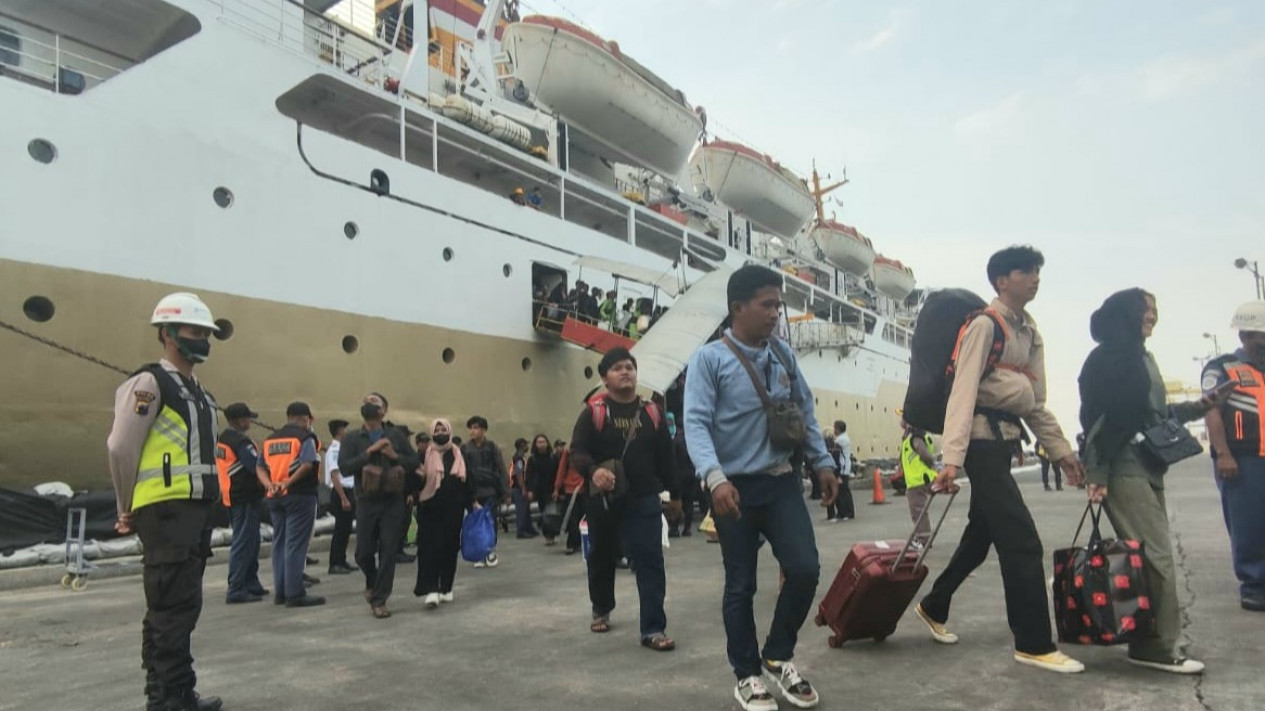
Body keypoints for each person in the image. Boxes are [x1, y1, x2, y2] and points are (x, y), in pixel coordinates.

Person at [914, 245, 1087, 674]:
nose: (1034, 278)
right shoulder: (984, 326)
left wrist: (1061, 451)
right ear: (1001, 281)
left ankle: (935, 604)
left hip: (1005, 441)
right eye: (1025, 271)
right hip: (980, 442)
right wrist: (951, 458)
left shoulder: (1029, 332)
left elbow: (1035, 403)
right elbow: (964, 390)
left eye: (1036, 271)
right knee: (1022, 541)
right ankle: (1033, 643)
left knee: (981, 535)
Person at [684, 265, 838, 711]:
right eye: (766, 305)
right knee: (741, 584)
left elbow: (804, 411)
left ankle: (777, 654)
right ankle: (747, 674)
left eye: (777, 305)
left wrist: (822, 462)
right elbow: (695, 423)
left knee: (805, 568)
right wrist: (715, 479)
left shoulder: (783, 355)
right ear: (738, 308)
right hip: (734, 490)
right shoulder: (709, 359)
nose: (775, 314)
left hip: (780, 481)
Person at [1079, 288, 1229, 673]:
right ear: (1126, 314)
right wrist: (1097, 474)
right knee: (1156, 554)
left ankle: (1146, 640)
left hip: (1148, 464)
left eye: (1155, 309)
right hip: (1122, 464)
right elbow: (1099, 420)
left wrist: (1201, 406)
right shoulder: (1109, 359)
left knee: (1150, 556)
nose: (1153, 316)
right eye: (1145, 309)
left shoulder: (1141, 356)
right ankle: (1159, 646)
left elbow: (1152, 415)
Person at [106, 292, 223, 711]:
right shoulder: (150, 383)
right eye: (194, 332)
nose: (202, 340)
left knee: (179, 606)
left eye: (206, 333)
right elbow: (121, 447)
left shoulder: (198, 392)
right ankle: (170, 699)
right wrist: (125, 505)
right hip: (166, 512)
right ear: (167, 333)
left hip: (192, 513)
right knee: (171, 608)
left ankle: (171, 692)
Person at [570, 347, 678, 650]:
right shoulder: (594, 412)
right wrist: (593, 472)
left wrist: (676, 495)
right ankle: (601, 608)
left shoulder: (651, 413)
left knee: (650, 562)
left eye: (629, 366)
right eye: (617, 368)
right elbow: (577, 450)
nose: (625, 372)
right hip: (603, 500)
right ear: (605, 378)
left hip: (643, 498)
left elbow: (667, 458)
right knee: (602, 557)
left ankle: (653, 629)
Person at [1202, 301, 1265, 613]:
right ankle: (1254, 585)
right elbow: (1212, 411)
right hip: (1243, 460)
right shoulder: (1223, 368)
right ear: (1244, 336)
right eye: (1259, 336)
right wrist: (1222, 453)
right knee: (1249, 523)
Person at [339, 393, 420, 619]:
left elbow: (414, 462)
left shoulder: (395, 435)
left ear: (383, 410)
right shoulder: (353, 438)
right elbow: (345, 467)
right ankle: (372, 582)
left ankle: (380, 600)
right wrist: (370, 453)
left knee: (388, 551)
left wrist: (393, 455)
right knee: (362, 553)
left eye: (373, 402)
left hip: (392, 501)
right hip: (366, 501)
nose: (367, 404)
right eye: (365, 401)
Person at [259, 402, 325, 608]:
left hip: (274, 495)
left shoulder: (270, 440)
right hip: (299, 495)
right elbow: (307, 464)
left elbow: (259, 467)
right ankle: (294, 593)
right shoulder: (306, 438)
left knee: (279, 542)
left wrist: (271, 485)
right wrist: (287, 482)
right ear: (306, 418)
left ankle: (281, 592)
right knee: (295, 544)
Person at [414, 419, 471, 608]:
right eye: (436, 429)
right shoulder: (424, 454)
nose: (440, 432)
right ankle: (431, 589)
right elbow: (414, 480)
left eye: (443, 429)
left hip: (453, 510)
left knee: (449, 548)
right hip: (429, 509)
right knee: (429, 549)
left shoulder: (459, 454)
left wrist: (473, 503)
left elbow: (469, 479)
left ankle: (446, 587)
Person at [216, 402, 268, 603]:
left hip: (233, 496)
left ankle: (251, 582)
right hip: (244, 497)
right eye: (248, 417)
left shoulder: (224, 439)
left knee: (251, 541)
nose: (250, 421)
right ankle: (237, 588)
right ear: (239, 420)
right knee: (244, 542)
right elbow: (255, 466)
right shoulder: (239, 442)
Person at [462, 416, 510, 567]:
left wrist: (506, 492)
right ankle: (479, 554)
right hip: (472, 491)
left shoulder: (492, 447)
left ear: (483, 430)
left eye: (476, 427)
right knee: (475, 523)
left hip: (490, 490)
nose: (473, 431)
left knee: (490, 522)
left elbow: (501, 469)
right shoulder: (465, 448)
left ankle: (490, 550)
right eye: (471, 428)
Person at [325, 419, 357, 575]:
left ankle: (342, 560)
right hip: (340, 492)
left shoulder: (343, 449)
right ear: (338, 431)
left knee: (346, 529)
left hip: (348, 491)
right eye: (345, 429)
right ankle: (335, 563)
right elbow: (334, 475)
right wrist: (343, 497)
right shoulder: (334, 450)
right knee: (340, 530)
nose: (347, 432)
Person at [899, 421, 937, 546]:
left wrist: (931, 465)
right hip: (918, 479)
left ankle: (923, 540)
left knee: (918, 511)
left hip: (918, 480)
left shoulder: (916, 437)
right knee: (918, 511)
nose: (901, 421)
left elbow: (926, 456)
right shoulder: (912, 436)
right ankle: (921, 537)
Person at [526, 434, 559, 544]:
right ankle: (547, 535)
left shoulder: (553, 457)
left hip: (551, 489)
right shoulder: (532, 459)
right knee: (544, 513)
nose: (541, 444)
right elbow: (529, 475)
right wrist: (530, 490)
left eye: (543, 442)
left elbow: (558, 474)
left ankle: (552, 535)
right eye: (539, 442)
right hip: (540, 491)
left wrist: (557, 489)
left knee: (552, 514)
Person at [554, 441, 585, 554]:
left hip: (586, 488)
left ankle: (580, 543)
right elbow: (561, 470)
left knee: (583, 518)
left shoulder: (590, 449)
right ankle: (572, 543)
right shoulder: (568, 453)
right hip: (572, 489)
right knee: (573, 518)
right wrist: (557, 488)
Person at [510, 437, 539, 538]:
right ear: (522, 446)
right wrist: (523, 488)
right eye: (526, 444)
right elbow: (519, 474)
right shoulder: (518, 458)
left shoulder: (520, 457)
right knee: (521, 509)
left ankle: (528, 528)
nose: (528, 447)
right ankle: (521, 531)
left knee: (526, 509)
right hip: (518, 488)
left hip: (519, 487)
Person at [831, 420, 855, 520]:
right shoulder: (845, 437)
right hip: (844, 467)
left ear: (838, 428)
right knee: (842, 491)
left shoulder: (840, 440)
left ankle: (847, 512)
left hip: (842, 468)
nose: (834, 430)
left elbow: (835, 454)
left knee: (843, 492)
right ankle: (843, 512)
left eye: (835, 428)